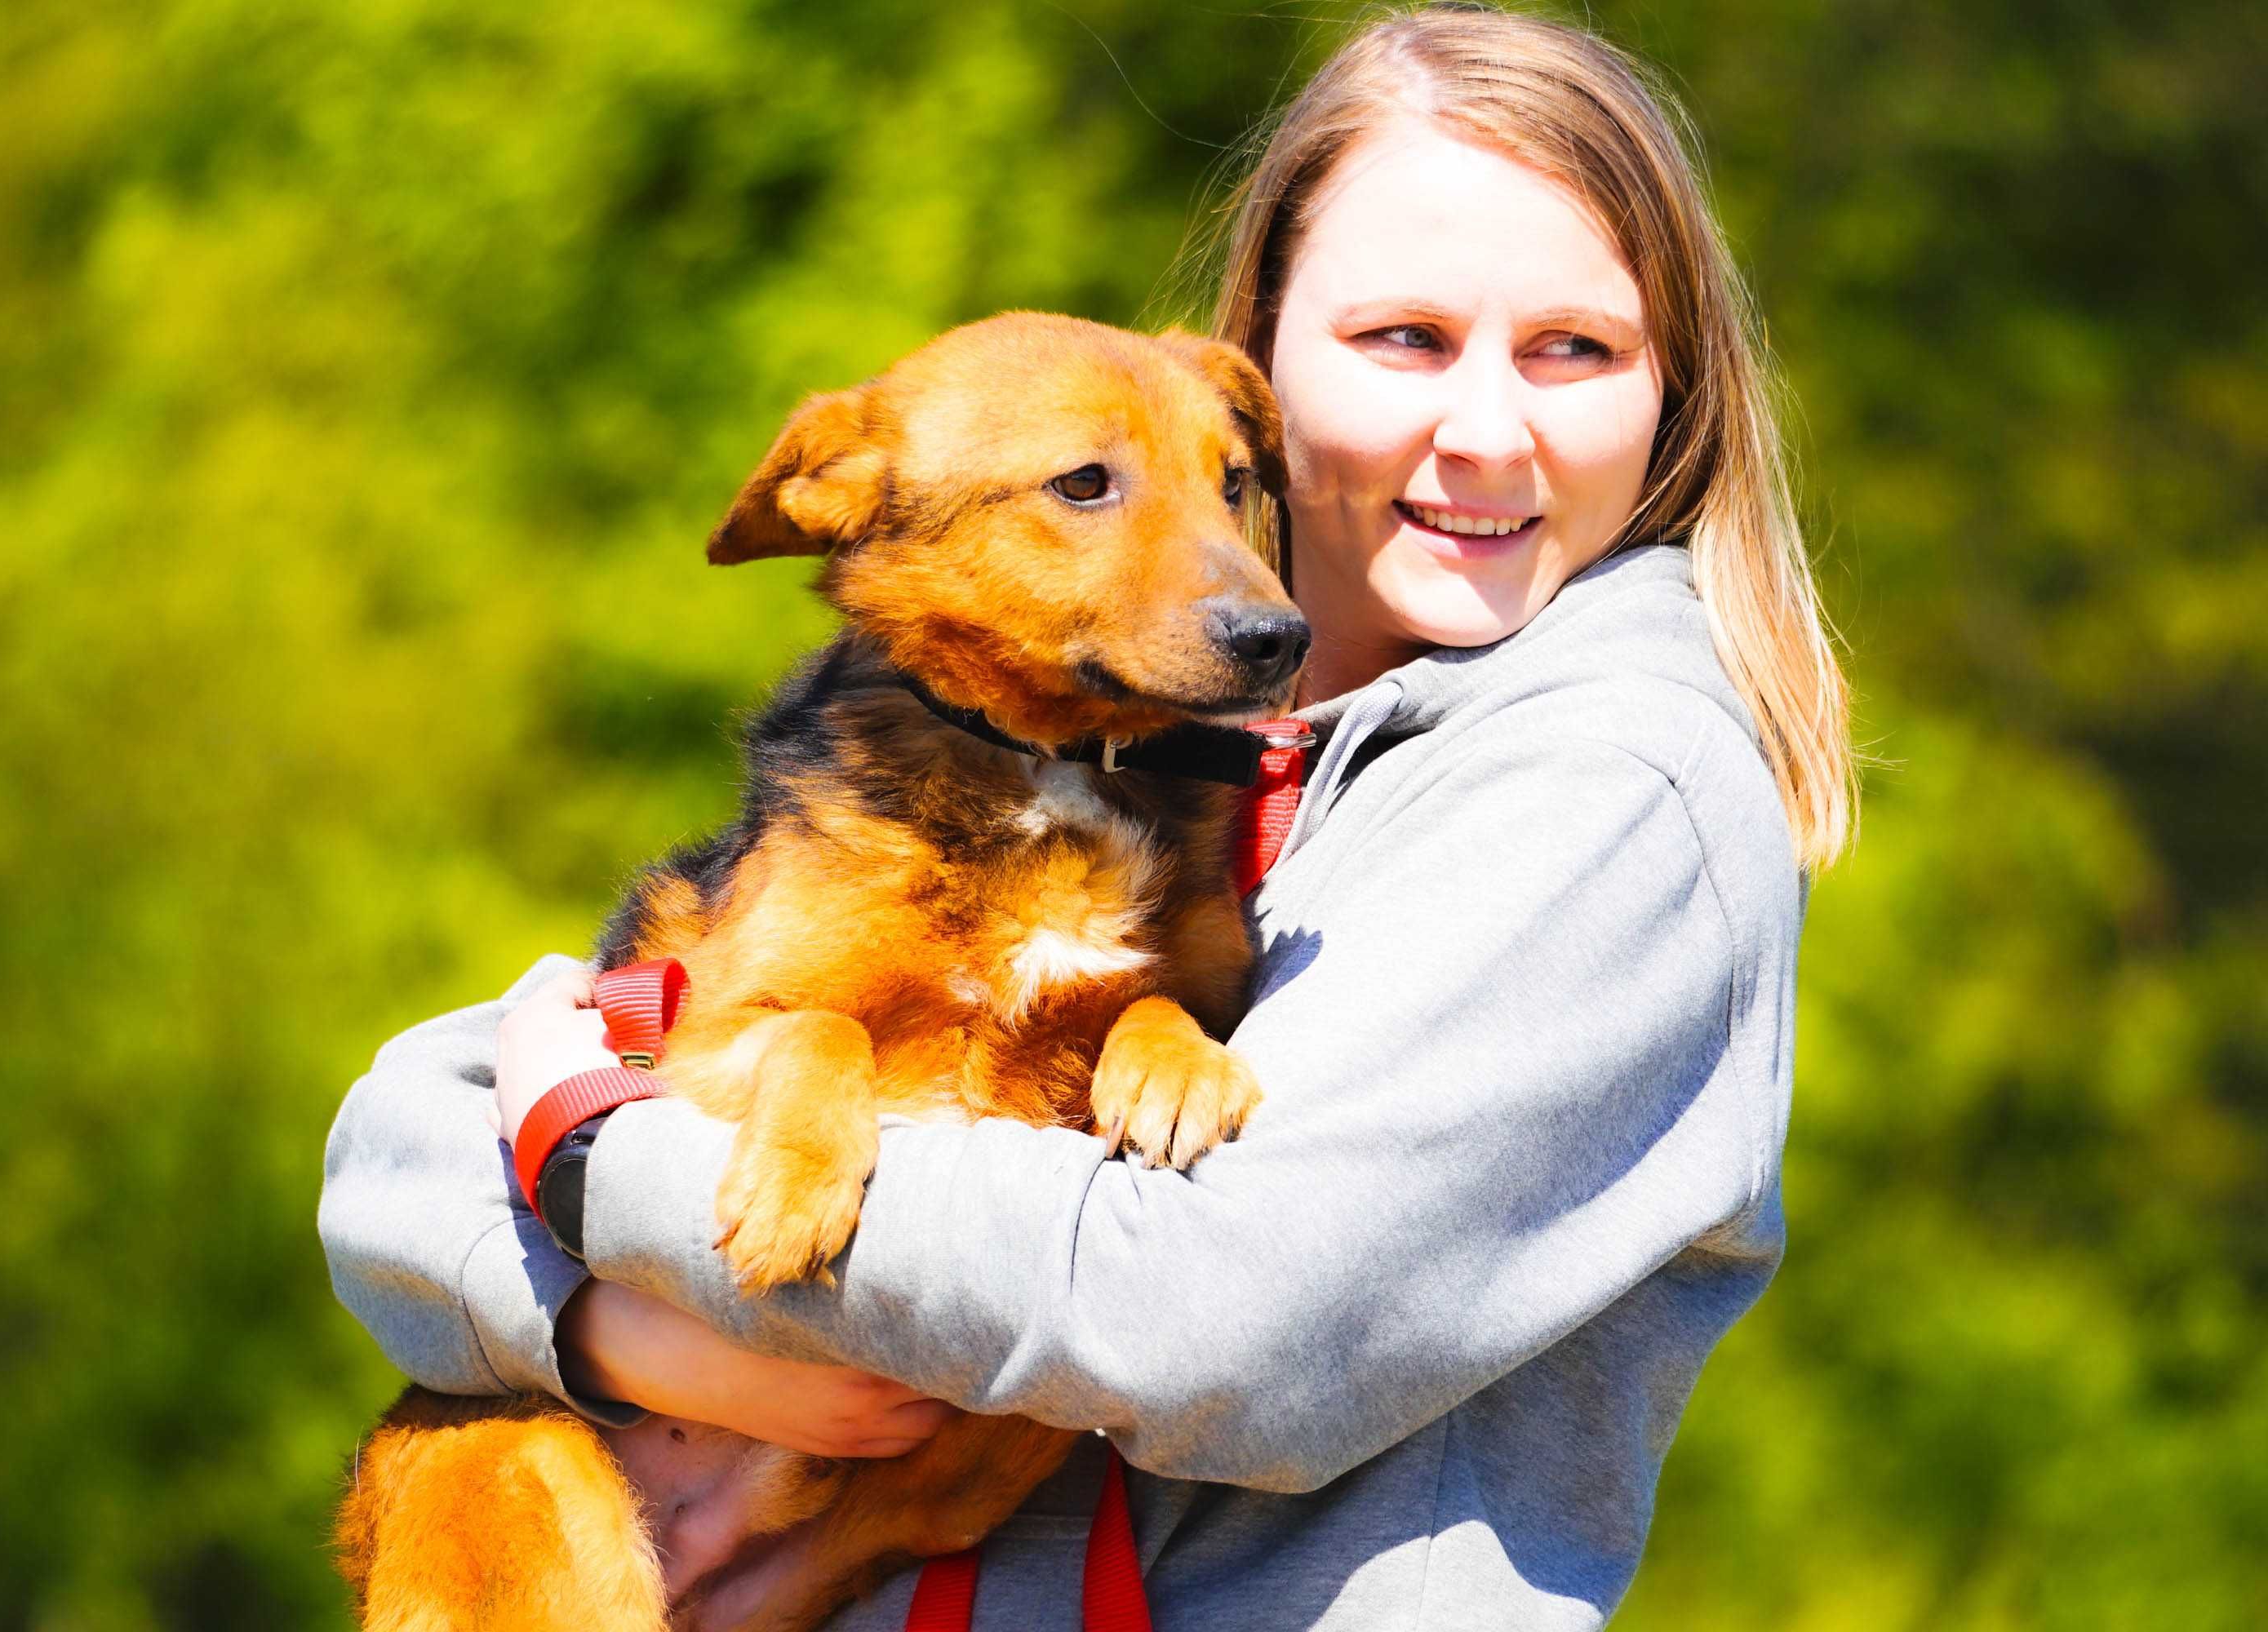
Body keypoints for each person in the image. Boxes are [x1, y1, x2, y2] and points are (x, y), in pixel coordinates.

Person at [319, 4, 1855, 1626]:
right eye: (1404, 337)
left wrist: (591, 1169)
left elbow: (1215, 1312)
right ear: (1264, 358)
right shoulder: (1169, 739)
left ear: (1675, 384)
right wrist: (595, 1307)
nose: (1484, 427)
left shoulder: (1609, 790)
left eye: (1575, 348)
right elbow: (419, 1129)